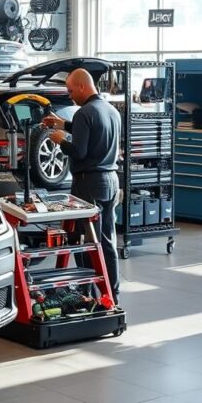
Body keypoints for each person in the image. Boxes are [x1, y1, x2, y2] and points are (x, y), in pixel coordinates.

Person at [41, 68, 122, 301]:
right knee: (107, 240)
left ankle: (88, 291)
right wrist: (63, 124)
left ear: (82, 87)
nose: (70, 96)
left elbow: (79, 151)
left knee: (87, 243)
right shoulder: (110, 110)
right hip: (111, 181)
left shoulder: (84, 112)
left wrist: (60, 139)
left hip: (89, 184)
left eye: (70, 90)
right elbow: (95, 133)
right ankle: (111, 293)